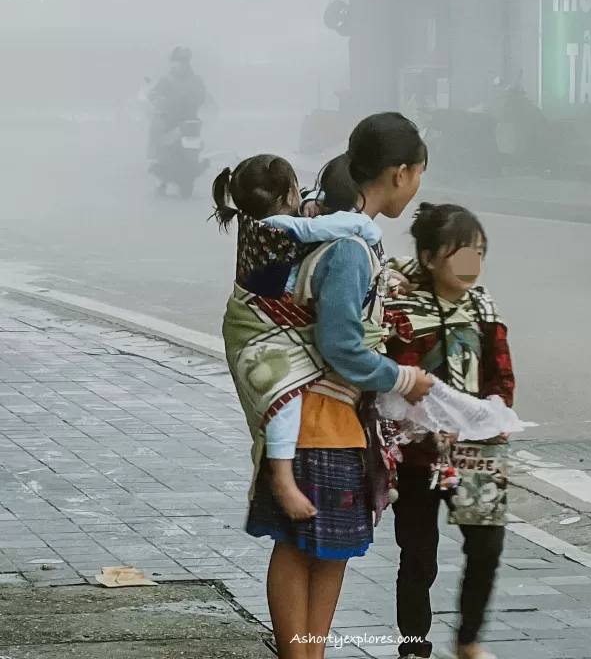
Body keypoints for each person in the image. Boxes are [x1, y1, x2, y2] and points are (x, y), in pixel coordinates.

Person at [228, 113, 433, 659]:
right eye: (417, 176)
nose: (416, 188)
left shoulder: (351, 240)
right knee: (302, 550)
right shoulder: (348, 249)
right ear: (400, 173)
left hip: (334, 423)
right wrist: (402, 378)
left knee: (329, 551)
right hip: (320, 419)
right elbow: (343, 345)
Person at [212, 153, 383, 521]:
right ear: (290, 190)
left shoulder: (256, 220)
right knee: (284, 401)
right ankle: (283, 478)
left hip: (269, 325)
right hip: (261, 330)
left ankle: (289, 474)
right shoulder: (278, 226)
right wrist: (363, 226)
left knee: (284, 401)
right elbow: (322, 229)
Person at [385, 203, 515, 659]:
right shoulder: (401, 310)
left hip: (477, 453)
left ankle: (468, 641)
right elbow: (393, 385)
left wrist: (492, 417)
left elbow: (501, 375)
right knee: (419, 557)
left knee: (487, 548)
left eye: (478, 252)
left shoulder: (484, 307)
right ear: (428, 258)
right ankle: (414, 647)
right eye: (459, 253)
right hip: (418, 455)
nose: (471, 265)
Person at [147, 46, 207, 161]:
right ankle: (158, 155)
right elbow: (202, 97)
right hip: (188, 120)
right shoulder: (195, 79)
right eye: (179, 61)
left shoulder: (167, 79)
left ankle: (154, 156)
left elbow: (152, 95)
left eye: (181, 61)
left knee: (155, 126)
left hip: (175, 120)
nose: (179, 64)